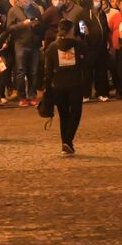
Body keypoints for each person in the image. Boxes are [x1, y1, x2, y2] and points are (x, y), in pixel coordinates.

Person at [41, 19, 87, 155]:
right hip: (75, 84)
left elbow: (48, 70)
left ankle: (66, 144)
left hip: (58, 85)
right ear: (71, 31)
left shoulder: (52, 47)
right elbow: (85, 64)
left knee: (64, 115)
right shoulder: (79, 45)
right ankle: (68, 141)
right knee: (76, 113)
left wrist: (47, 86)